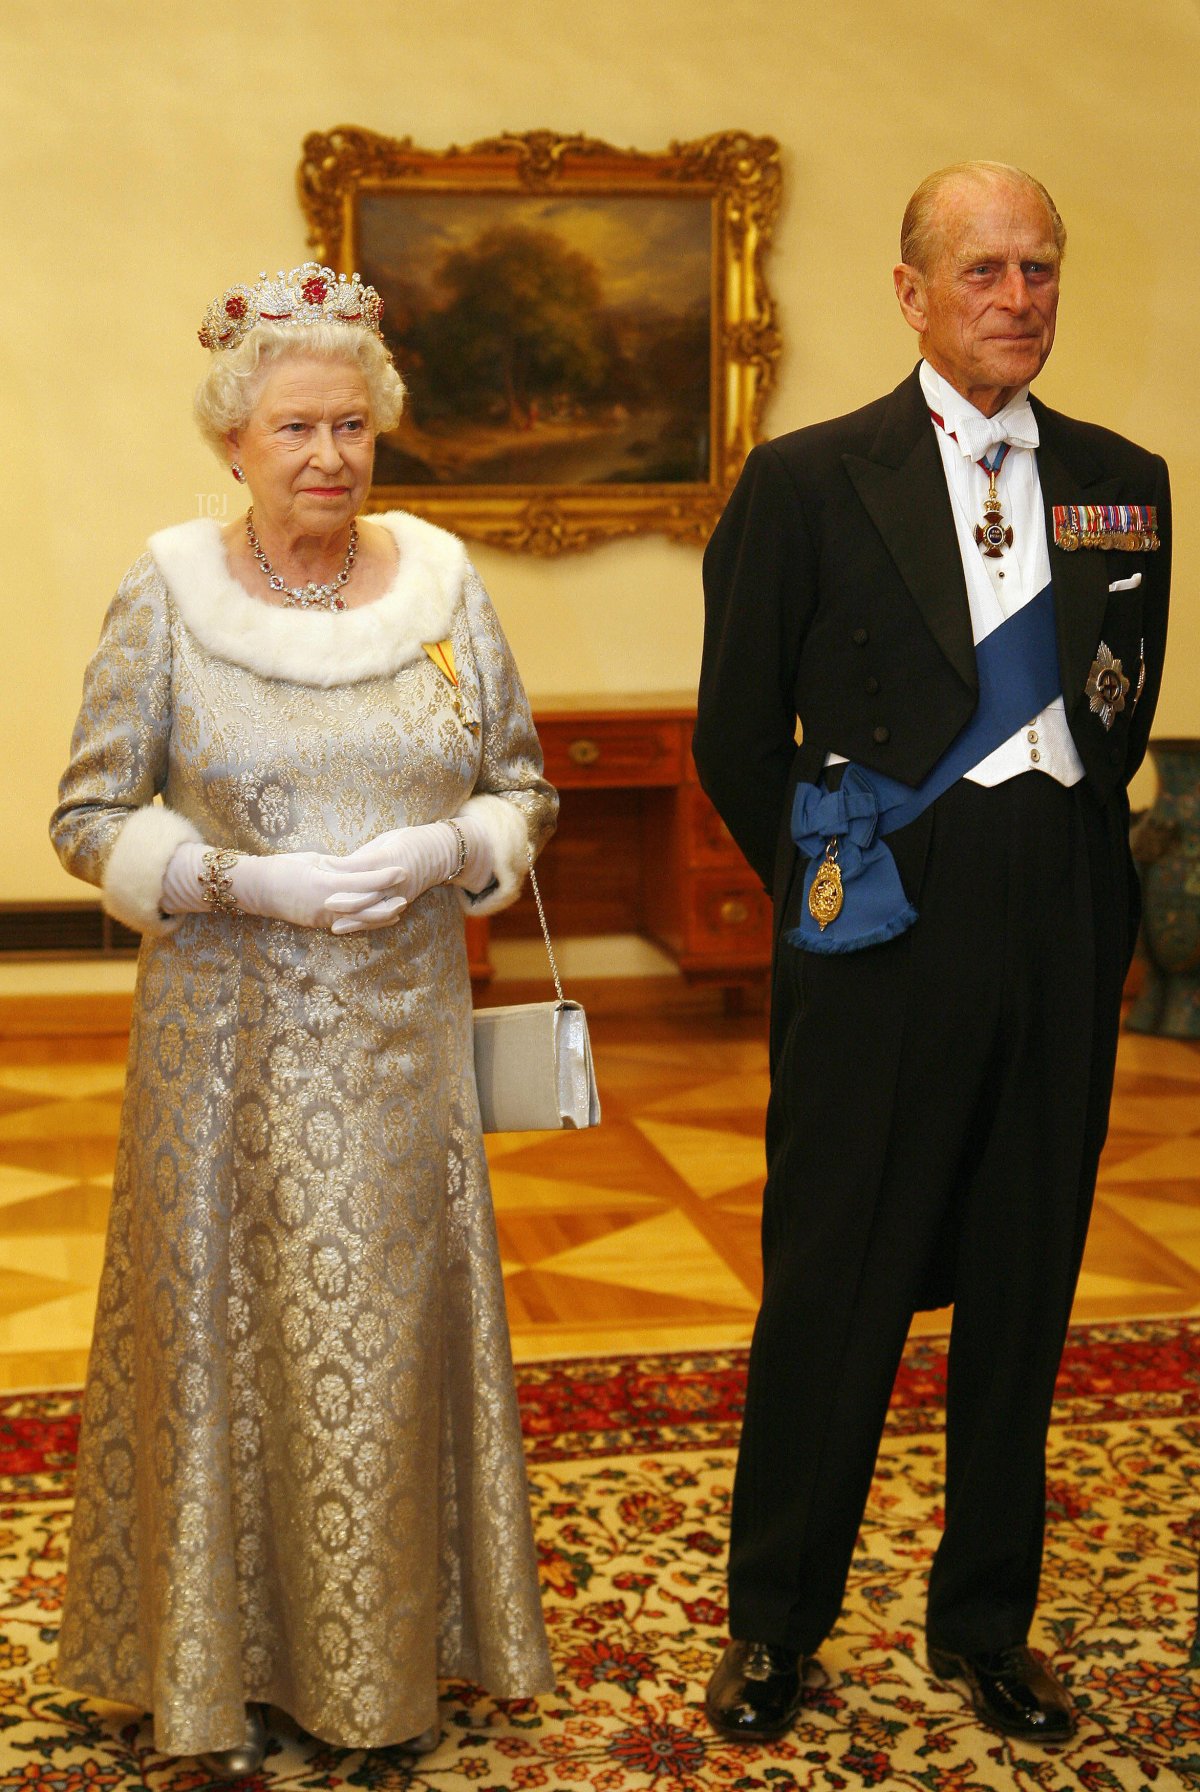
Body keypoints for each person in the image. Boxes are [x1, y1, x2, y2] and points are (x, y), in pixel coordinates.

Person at [50, 262, 558, 1773]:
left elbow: (522, 784)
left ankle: (380, 1673)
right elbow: (87, 817)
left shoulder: (446, 587)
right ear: (235, 441)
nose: (329, 456)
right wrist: (232, 880)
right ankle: (214, 1672)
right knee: (227, 1350)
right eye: (295, 429)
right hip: (224, 1055)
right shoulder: (168, 593)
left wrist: (455, 848)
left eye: (352, 425)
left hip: (401, 1048)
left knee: (381, 1355)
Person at [694, 163, 1171, 1747]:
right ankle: (776, 1627)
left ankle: (985, 1625)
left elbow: (1114, 717)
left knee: (1027, 1282)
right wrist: (833, 887)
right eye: (984, 269)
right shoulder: (809, 481)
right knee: (836, 1281)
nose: (1019, 297)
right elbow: (735, 736)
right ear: (910, 292)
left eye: (1041, 267)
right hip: (884, 929)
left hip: (1063, 918)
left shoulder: (1124, 481)